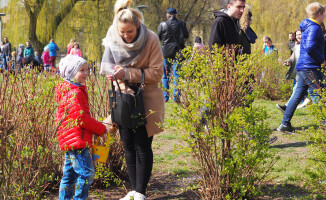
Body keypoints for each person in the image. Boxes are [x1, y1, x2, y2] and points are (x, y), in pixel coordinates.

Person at [100, 0, 164, 199]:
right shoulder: (112, 38)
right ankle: (134, 191)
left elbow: (156, 73)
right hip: (123, 98)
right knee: (127, 143)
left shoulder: (151, 39)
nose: (126, 36)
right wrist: (115, 77)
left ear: (137, 25)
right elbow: (107, 67)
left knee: (142, 145)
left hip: (146, 98)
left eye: (130, 32)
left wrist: (127, 73)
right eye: (122, 32)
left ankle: (141, 192)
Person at [55, 54, 107, 199]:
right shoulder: (74, 92)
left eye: (87, 69)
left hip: (70, 138)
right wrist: (100, 128)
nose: (86, 73)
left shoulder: (69, 89)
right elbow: (80, 118)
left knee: (69, 174)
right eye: (81, 70)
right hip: (77, 139)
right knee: (86, 173)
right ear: (71, 73)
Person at [277, 2, 325, 134]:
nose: (324, 16)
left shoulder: (308, 26)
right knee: (319, 95)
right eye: (324, 13)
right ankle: (324, 126)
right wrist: (322, 59)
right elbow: (310, 47)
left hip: (304, 67)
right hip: (309, 67)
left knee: (297, 96)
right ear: (319, 14)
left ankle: (285, 124)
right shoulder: (314, 28)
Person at [157, 7, 189, 102]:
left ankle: (165, 97)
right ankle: (176, 97)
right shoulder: (182, 24)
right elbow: (186, 36)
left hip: (165, 52)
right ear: (175, 14)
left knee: (165, 75)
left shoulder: (162, 25)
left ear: (168, 14)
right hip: (178, 52)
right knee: (177, 75)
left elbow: (158, 37)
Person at [276, 29, 311, 112]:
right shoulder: (296, 45)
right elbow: (293, 56)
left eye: (300, 34)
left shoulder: (308, 44)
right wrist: (288, 61)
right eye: (297, 35)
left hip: (307, 71)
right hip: (299, 72)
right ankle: (288, 108)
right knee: (297, 90)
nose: (299, 36)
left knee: (300, 90)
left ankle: (287, 107)